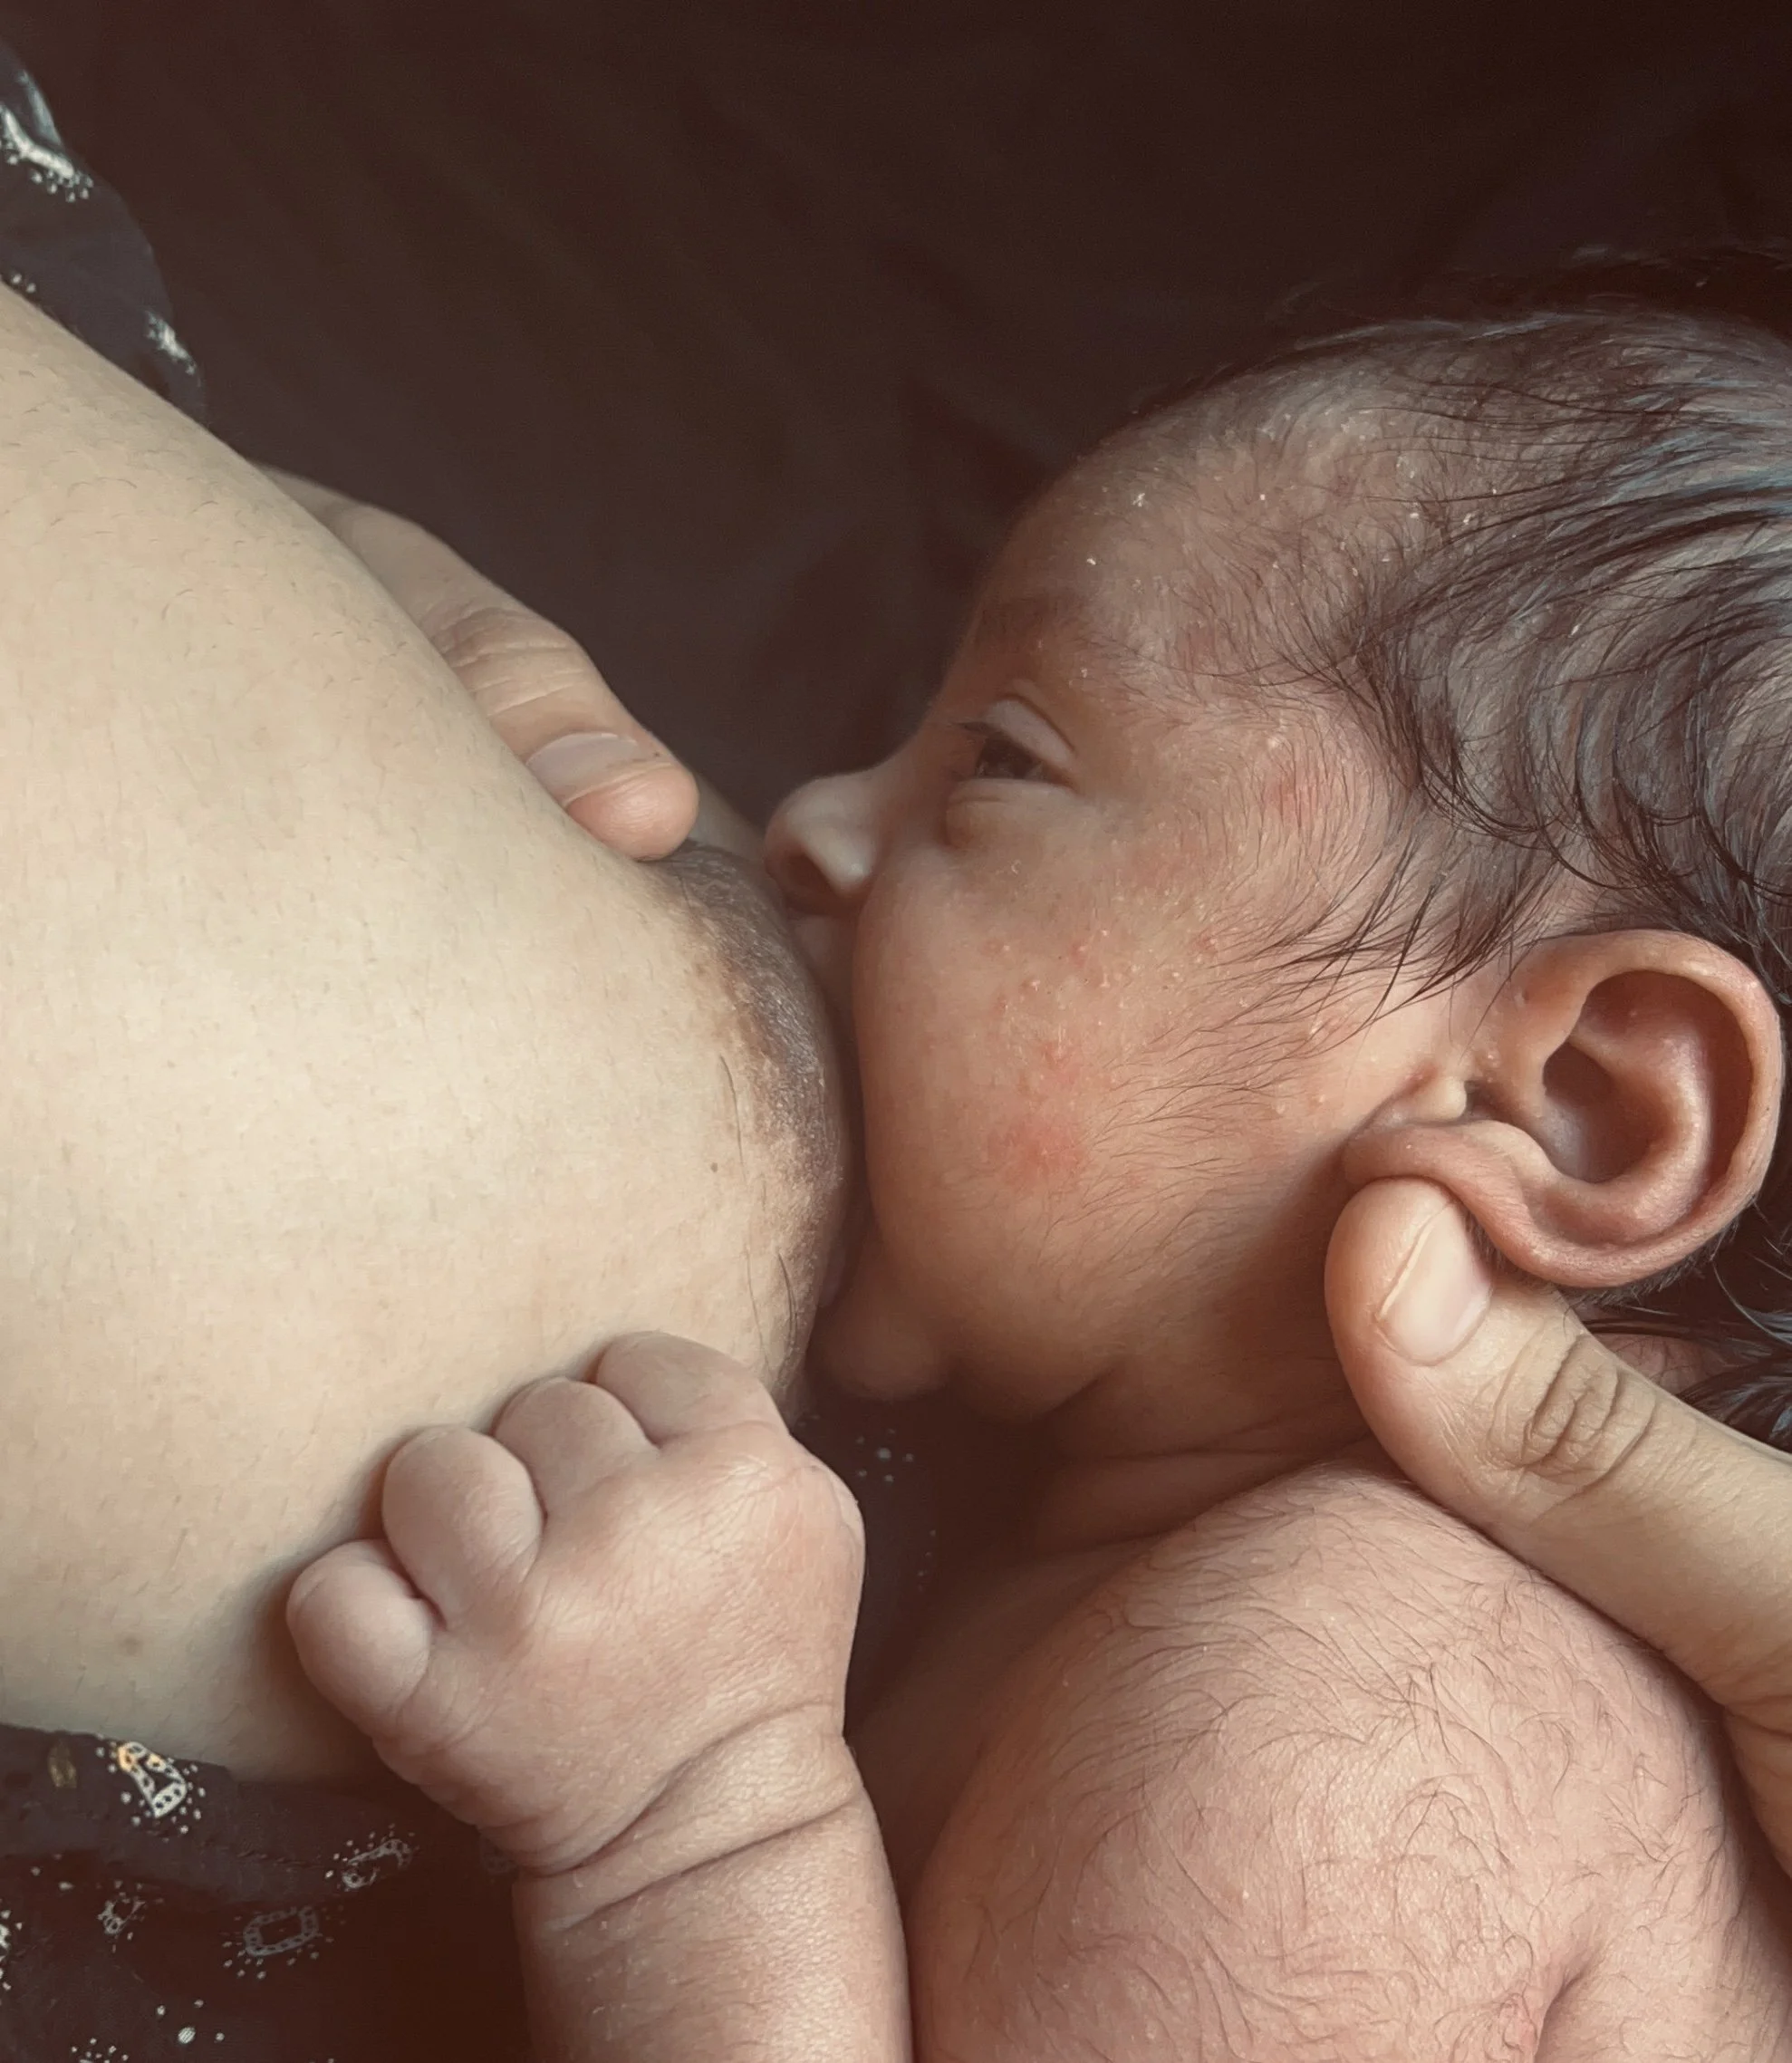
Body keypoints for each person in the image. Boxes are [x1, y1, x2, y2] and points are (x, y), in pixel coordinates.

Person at [296, 265, 1792, 2059]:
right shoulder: (1129, 1534)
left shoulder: (1342, 1716)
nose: (811, 825)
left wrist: (688, 1830)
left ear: (1579, 1109)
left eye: (1002, 759)